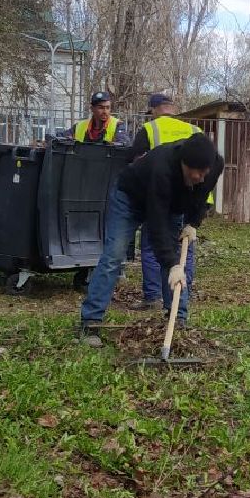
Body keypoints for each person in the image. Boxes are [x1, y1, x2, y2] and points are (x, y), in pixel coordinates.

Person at [79, 131, 224, 346]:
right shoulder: (162, 168)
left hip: (172, 204)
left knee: (176, 258)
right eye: (197, 173)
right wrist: (172, 263)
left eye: (205, 173)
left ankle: (178, 318)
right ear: (185, 164)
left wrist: (193, 222)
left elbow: (201, 195)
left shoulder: (213, 165)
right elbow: (156, 225)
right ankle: (90, 321)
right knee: (114, 256)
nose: (201, 178)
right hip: (130, 199)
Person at [128, 92, 206, 310]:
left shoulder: (150, 129)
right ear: (173, 108)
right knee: (184, 248)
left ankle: (153, 296)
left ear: (154, 110)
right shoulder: (194, 130)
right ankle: (182, 294)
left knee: (153, 247)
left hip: (160, 199)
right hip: (190, 198)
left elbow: (135, 163)